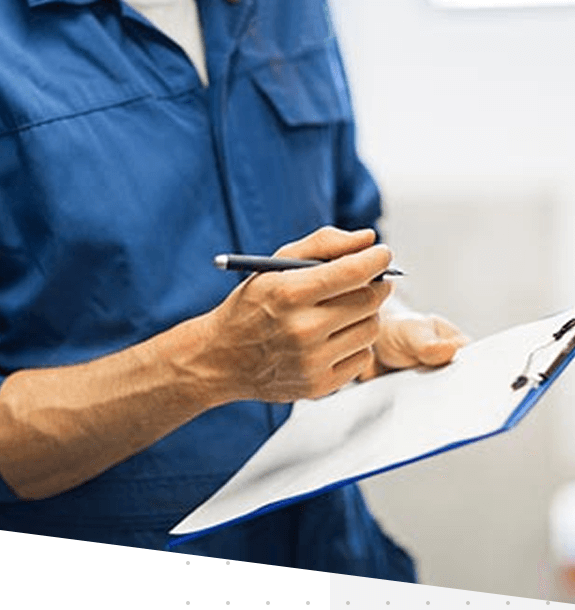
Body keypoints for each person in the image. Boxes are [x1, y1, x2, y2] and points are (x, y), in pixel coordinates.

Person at [0, 0, 467, 582]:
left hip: (330, 550)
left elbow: (348, 214)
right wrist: (208, 363)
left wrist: (371, 324)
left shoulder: (287, 11)